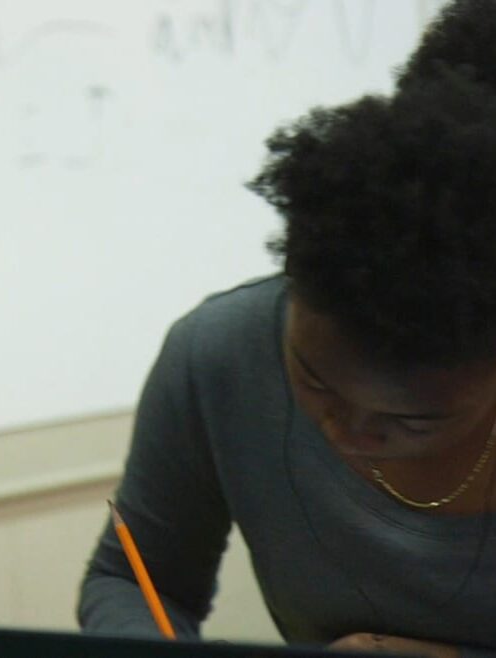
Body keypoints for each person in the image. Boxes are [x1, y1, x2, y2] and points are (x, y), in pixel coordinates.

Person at [78, 3, 496, 658]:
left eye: (414, 420)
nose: (348, 433)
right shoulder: (221, 354)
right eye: (312, 380)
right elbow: (133, 579)